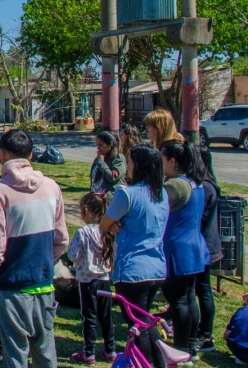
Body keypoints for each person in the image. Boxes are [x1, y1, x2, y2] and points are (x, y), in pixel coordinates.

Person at [0, 129, 68, 368]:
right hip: (44, 282)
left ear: (2, 155)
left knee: (15, 354)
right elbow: (61, 239)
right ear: (31, 155)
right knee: (45, 351)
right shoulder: (52, 187)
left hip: (12, 284)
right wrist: (43, 261)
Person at [100, 143, 169, 368]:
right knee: (145, 321)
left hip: (133, 270)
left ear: (137, 166)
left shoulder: (127, 195)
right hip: (157, 268)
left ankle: (148, 363)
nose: (127, 166)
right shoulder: (162, 194)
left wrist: (112, 226)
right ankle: (159, 362)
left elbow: (103, 224)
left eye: (129, 161)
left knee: (138, 326)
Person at [160, 138, 210, 359]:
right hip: (194, 248)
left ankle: (180, 350)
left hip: (177, 249)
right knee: (189, 299)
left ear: (172, 161)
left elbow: (156, 206)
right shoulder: (195, 182)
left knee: (178, 300)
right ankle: (190, 347)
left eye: (162, 159)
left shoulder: (176, 185)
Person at [68, 193, 115, 364]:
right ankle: (111, 350)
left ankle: (89, 353)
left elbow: (73, 255)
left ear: (86, 211)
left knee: (89, 317)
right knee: (106, 316)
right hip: (104, 279)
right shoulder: (107, 230)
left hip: (87, 281)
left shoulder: (82, 233)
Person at [196, 145, 223, 353]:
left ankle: (206, 335)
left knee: (203, 290)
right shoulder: (208, 184)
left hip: (204, 245)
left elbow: (199, 219)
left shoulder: (204, 187)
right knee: (200, 289)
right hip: (206, 244)